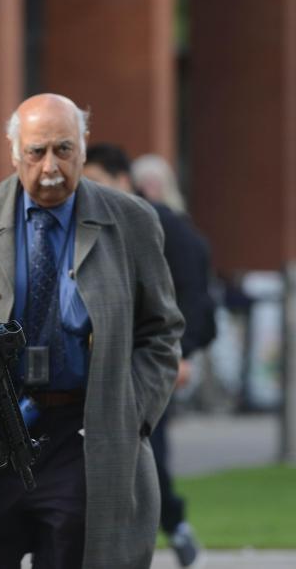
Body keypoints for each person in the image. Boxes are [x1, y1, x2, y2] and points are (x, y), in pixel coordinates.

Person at [0, 94, 184, 569]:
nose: (50, 166)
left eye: (63, 150)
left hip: (81, 436)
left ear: (84, 150)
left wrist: (133, 412)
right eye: (37, 151)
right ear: (13, 152)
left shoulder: (131, 222)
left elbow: (162, 330)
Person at [86, 146, 215, 567]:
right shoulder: (105, 221)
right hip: (113, 362)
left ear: (125, 180)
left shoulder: (156, 223)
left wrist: (182, 353)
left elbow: (192, 297)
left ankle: (170, 526)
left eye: (99, 180)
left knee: (145, 451)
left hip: (150, 361)